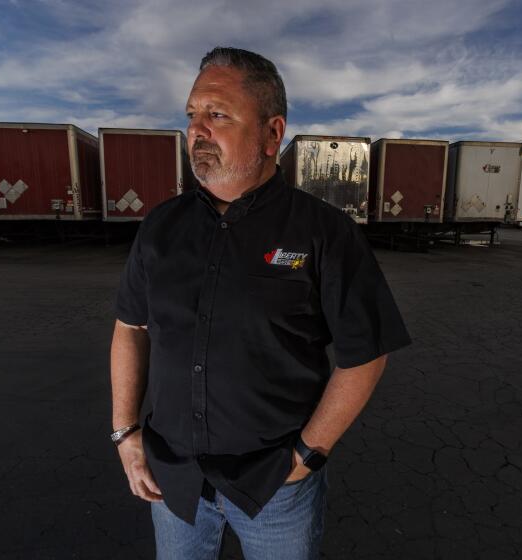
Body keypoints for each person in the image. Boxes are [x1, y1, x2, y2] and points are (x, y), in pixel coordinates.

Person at [110, 47, 411, 560]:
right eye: (192, 115)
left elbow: (365, 353)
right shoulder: (162, 228)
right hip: (173, 479)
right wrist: (125, 433)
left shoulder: (324, 233)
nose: (198, 129)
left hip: (276, 487)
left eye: (218, 114)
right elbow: (130, 328)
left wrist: (308, 454)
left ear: (273, 133)